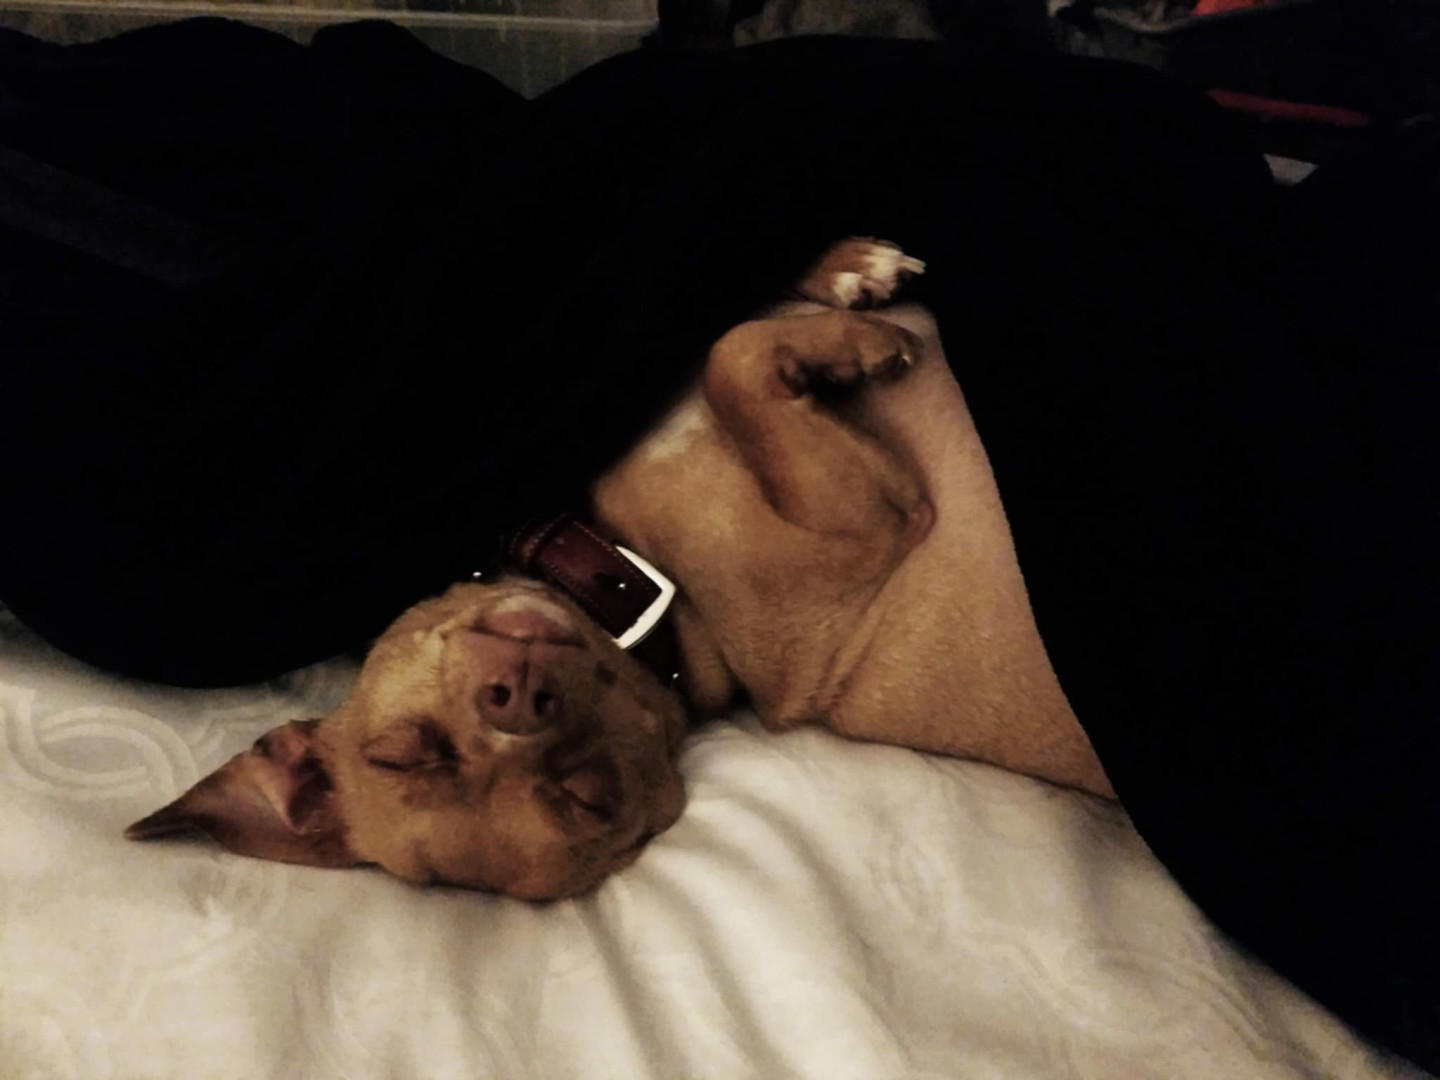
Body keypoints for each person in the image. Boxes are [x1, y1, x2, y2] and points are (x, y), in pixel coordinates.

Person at [2, 20, 1436, 1070]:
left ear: (301, 761)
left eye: (422, 748)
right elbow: (874, 511)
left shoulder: (509, 501)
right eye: (571, 790)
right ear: (642, 799)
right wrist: (758, 363)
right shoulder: (745, 620)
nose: (510, 716)